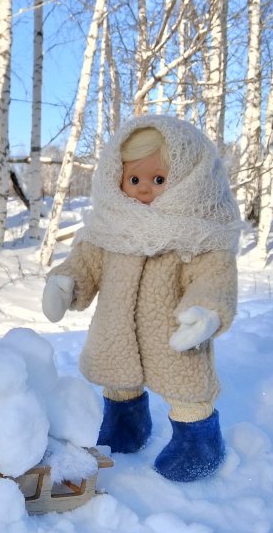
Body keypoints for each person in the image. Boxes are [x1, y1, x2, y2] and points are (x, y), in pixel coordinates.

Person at [41, 114, 241, 482]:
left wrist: (207, 310)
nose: (145, 189)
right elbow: (87, 262)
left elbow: (214, 276)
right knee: (119, 382)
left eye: (159, 179)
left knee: (187, 391)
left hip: (176, 333)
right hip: (117, 330)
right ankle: (125, 428)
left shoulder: (201, 232)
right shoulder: (108, 226)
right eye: (134, 179)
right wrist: (66, 282)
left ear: (190, 180)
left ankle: (199, 446)